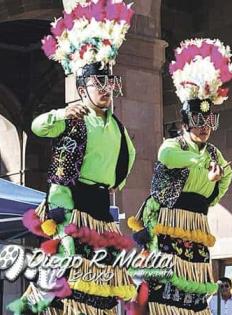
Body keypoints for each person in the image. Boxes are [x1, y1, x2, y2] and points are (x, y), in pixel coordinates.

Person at [8, 1, 137, 314]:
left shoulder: (118, 128)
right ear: (83, 88)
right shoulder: (76, 117)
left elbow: (127, 162)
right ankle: (33, 304)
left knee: (103, 282)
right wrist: (61, 113)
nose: (105, 88)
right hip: (72, 203)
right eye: (97, 83)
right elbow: (38, 127)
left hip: (102, 210)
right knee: (68, 269)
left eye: (109, 82)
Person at [127, 38, 232, 315]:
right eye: (198, 124)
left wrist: (213, 193)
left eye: (207, 123)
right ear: (186, 124)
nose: (203, 129)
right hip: (170, 218)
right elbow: (166, 157)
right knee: (165, 280)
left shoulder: (213, 152)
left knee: (195, 281)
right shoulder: (175, 145)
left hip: (198, 222)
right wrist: (200, 162)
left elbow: (226, 174)